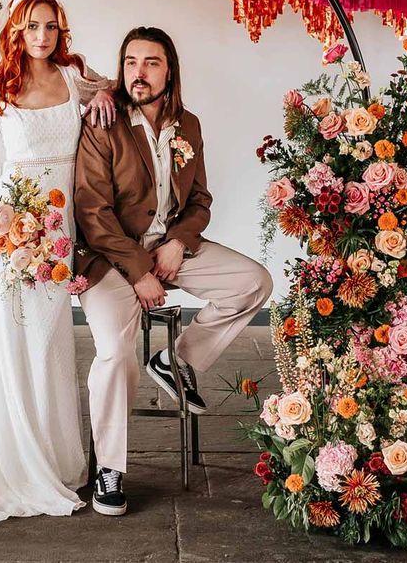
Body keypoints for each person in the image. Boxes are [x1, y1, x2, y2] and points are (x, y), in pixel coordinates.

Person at [74, 26, 273, 516]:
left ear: (170, 70)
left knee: (255, 282)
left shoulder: (190, 124)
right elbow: (91, 212)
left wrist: (179, 243)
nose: (139, 73)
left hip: (169, 249)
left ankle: (175, 359)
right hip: (110, 257)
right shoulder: (104, 121)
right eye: (132, 62)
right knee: (117, 352)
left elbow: (200, 200)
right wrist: (141, 269)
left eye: (152, 62)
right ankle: (111, 468)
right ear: (121, 69)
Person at [0, 0, 115, 521]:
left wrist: (103, 95)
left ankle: (52, 459)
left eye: (50, 26)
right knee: (7, 334)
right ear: (16, 30)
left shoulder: (74, 74)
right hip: (9, 216)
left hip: (58, 220)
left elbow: (122, 87)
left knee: (48, 336)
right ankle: (11, 461)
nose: (42, 37)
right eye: (32, 27)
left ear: (60, 28)